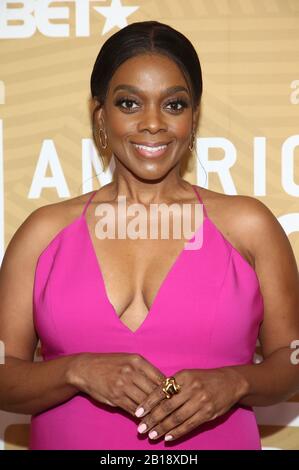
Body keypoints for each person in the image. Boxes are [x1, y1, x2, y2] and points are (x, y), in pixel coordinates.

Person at [0, 20, 298, 451]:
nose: (153, 123)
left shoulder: (248, 226)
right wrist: (74, 371)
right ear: (100, 116)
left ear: (193, 117)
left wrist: (236, 381)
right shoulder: (44, 233)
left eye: (174, 105)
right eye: (129, 103)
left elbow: (291, 359)